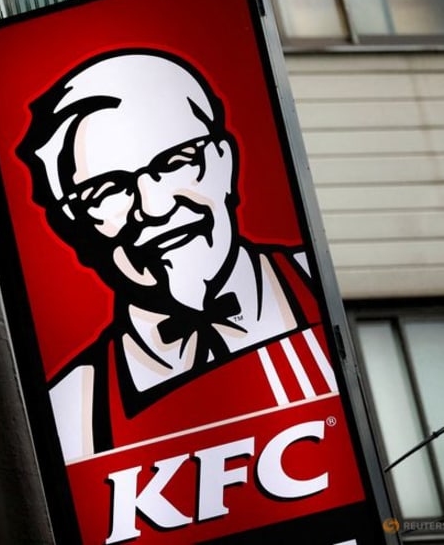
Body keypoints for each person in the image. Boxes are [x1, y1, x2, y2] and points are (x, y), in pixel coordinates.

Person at [17, 49, 336, 461]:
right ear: (72, 225)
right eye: (108, 190)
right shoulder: (73, 413)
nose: (154, 206)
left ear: (225, 161)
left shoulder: (326, 286)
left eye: (176, 162)